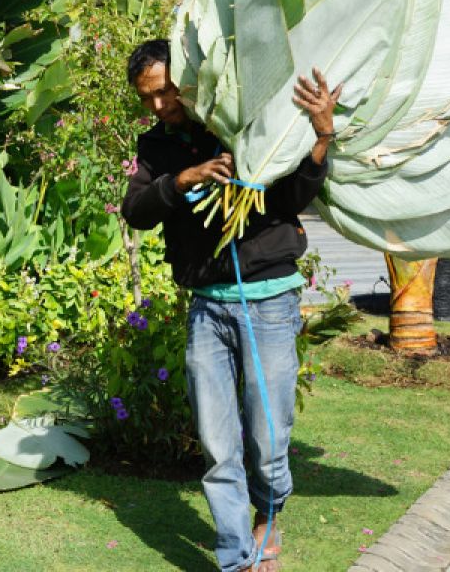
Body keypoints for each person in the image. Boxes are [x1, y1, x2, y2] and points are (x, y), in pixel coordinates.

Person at [120, 40, 341, 572]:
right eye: (147, 98)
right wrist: (183, 179)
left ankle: (268, 513)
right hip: (206, 307)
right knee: (218, 442)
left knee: (267, 437)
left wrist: (322, 135)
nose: (158, 106)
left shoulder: (240, 124)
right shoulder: (155, 149)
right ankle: (236, 556)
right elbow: (137, 209)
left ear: (192, 81)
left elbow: (291, 199)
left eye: (166, 92)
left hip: (267, 300)